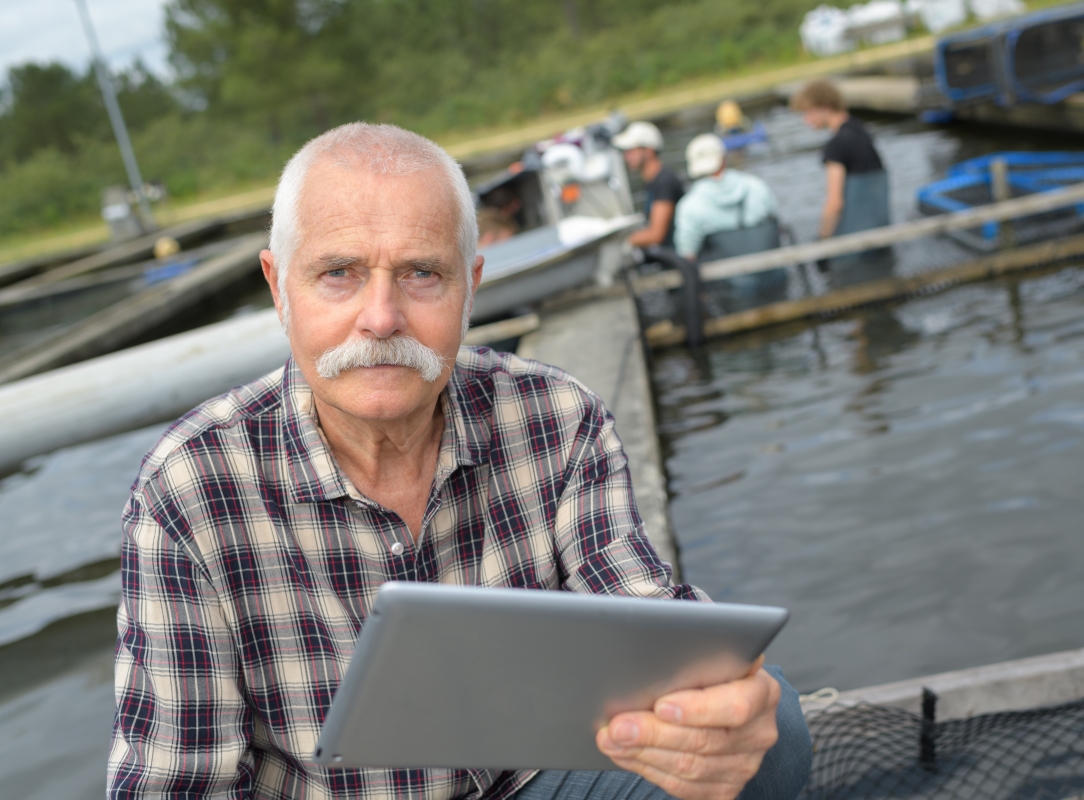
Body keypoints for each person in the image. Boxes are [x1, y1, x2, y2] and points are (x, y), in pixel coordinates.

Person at [108, 122, 811, 800]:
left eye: (421, 274)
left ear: (470, 286)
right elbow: (174, 785)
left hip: (534, 781)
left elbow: (645, 619)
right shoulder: (189, 488)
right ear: (278, 285)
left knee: (769, 732)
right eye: (339, 273)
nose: (381, 317)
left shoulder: (558, 417)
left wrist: (718, 700)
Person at [790, 79, 893, 286]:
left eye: (808, 112)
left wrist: (823, 242)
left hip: (853, 248)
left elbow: (835, 202)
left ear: (825, 108)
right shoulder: (861, 129)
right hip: (880, 234)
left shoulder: (835, 146)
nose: (805, 120)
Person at [672, 133, 779, 262]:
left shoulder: (688, 205)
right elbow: (776, 222)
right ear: (724, 158)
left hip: (723, 280)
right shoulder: (756, 185)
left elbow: (687, 254)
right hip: (771, 272)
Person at [612, 121, 685, 250]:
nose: (626, 156)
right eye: (624, 151)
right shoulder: (655, 180)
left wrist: (624, 242)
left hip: (675, 254)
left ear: (649, 150)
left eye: (631, 150)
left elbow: (656, 235)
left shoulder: (664, 181)